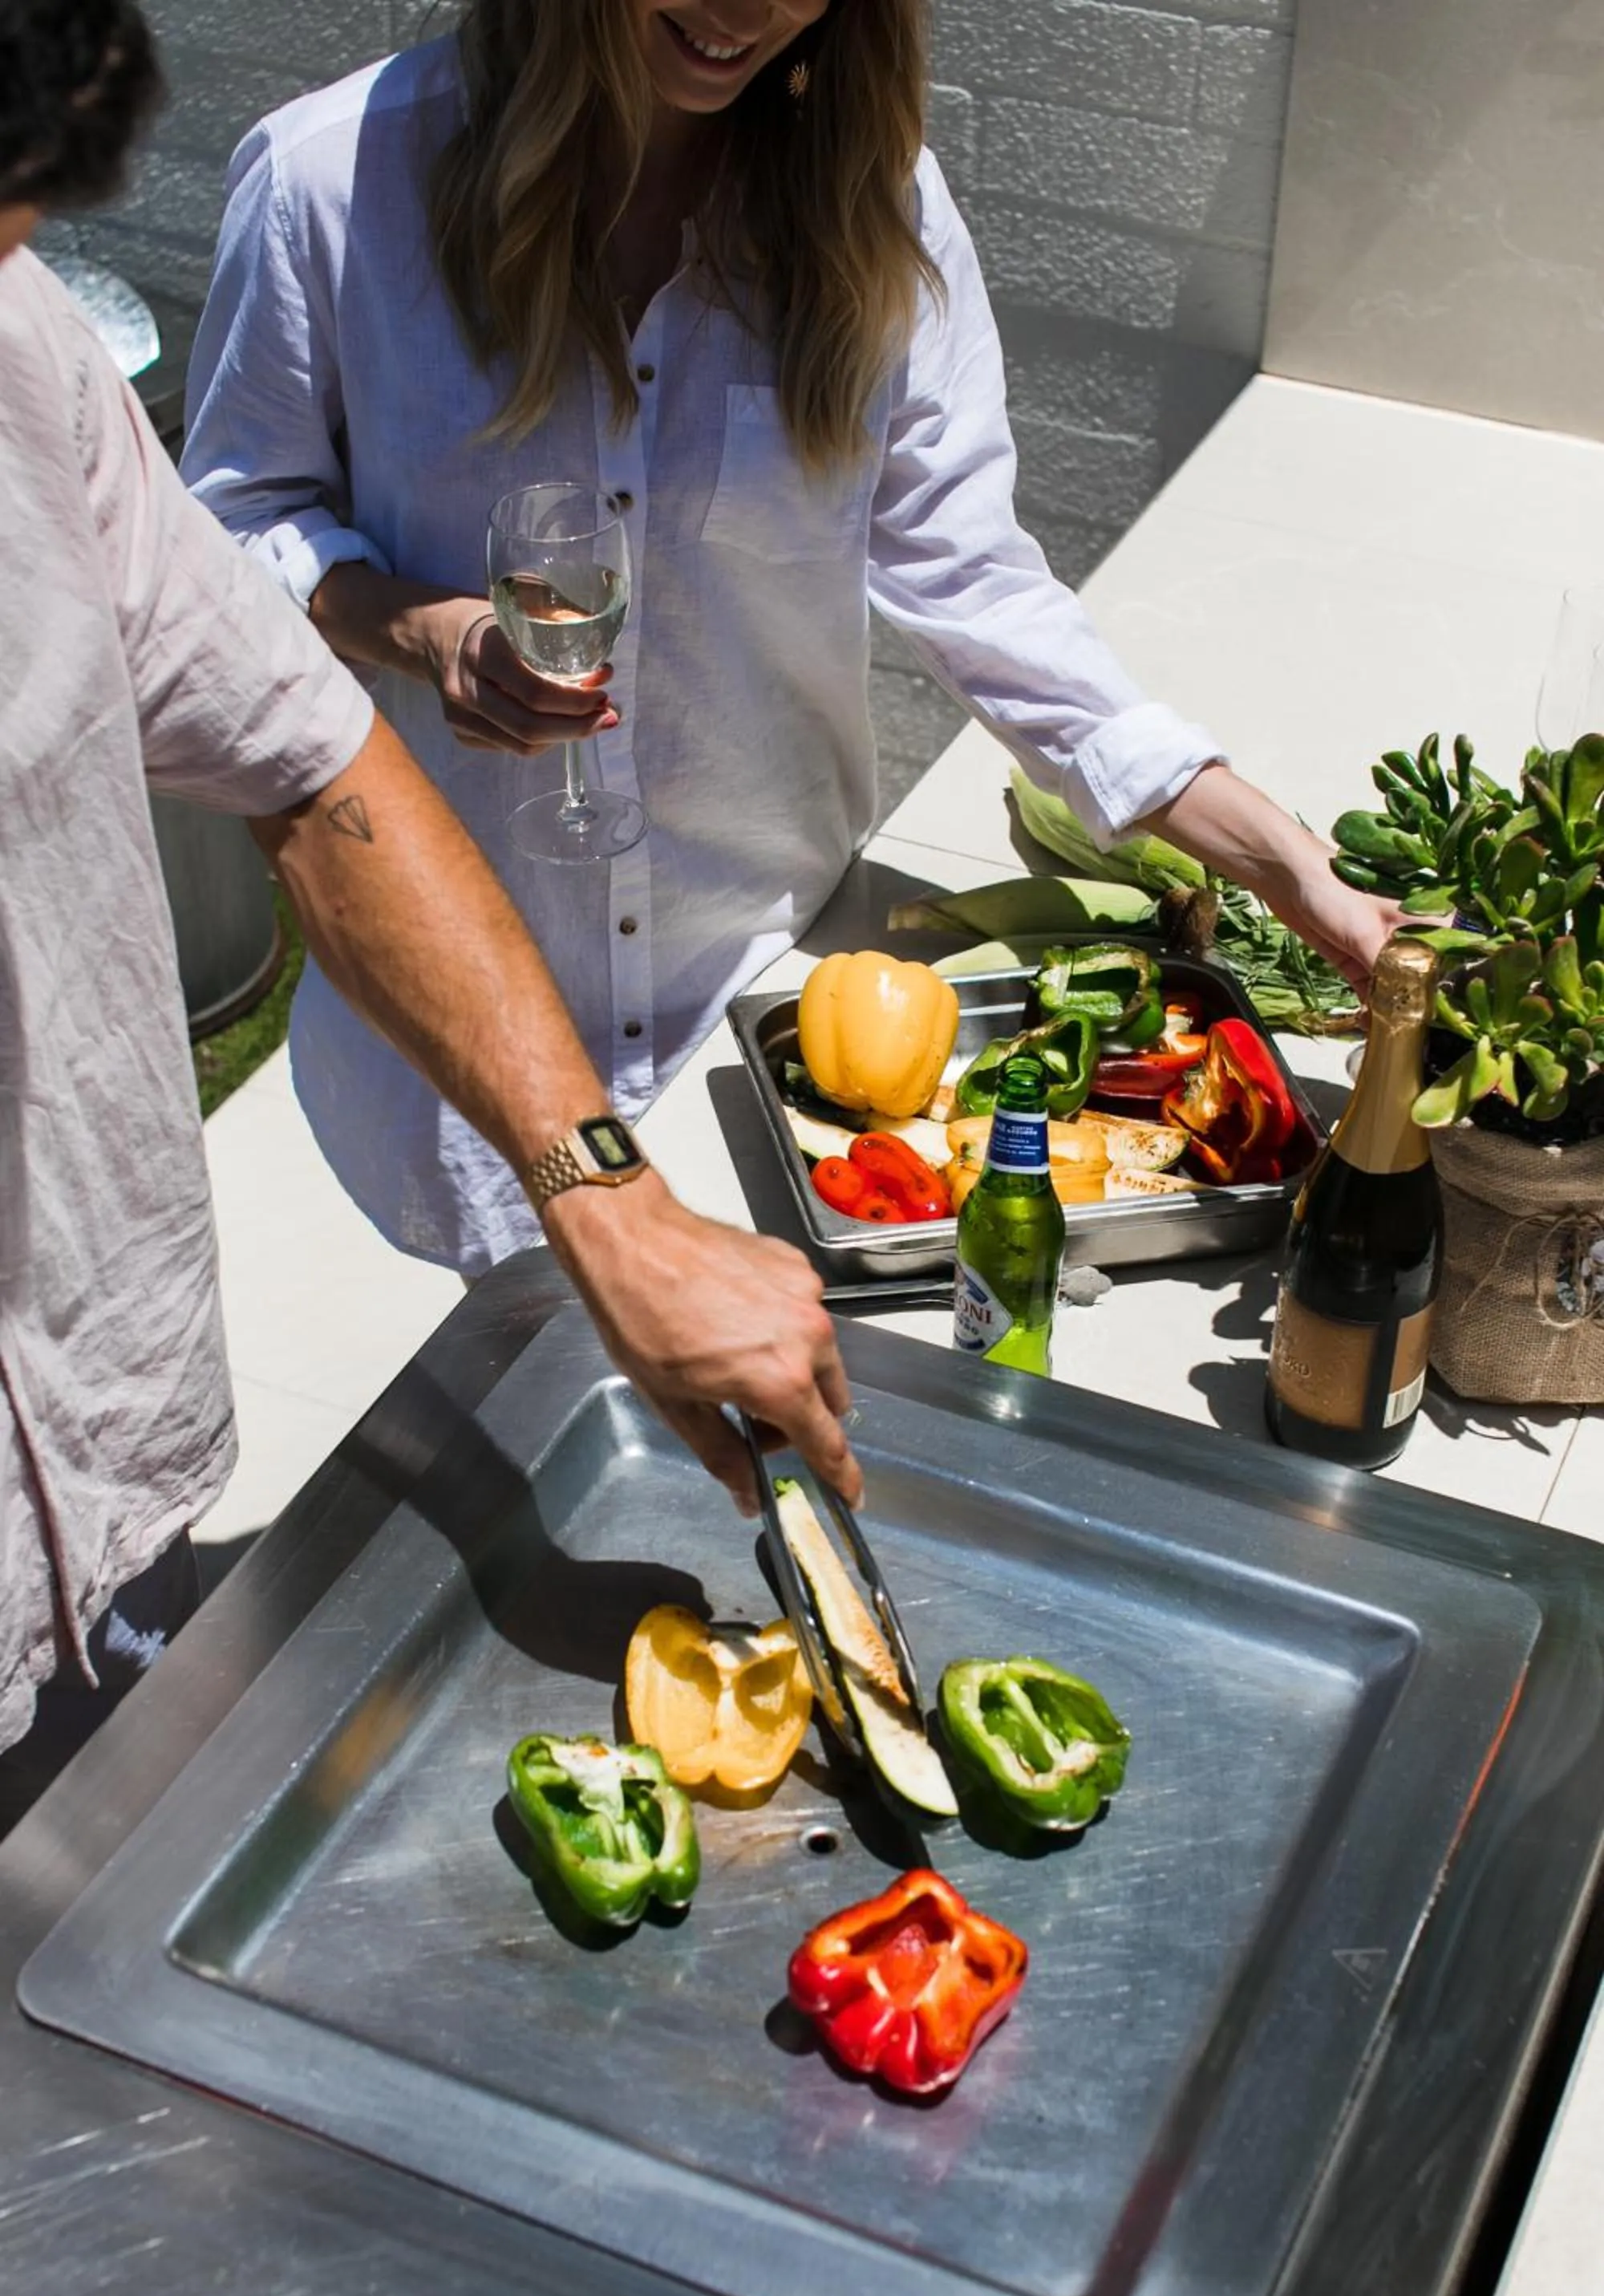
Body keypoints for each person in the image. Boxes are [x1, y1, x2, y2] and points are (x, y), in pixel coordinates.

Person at [182, 0, 1394, 1283]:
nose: (749, 11)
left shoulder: (874, 205)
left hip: (765, 1019)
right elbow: (230, 528)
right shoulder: (331, 184)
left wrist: (1286, 864)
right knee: (519, 1382)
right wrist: (416, 628)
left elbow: (977, 582)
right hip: (455, 1035)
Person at [0, 0, 861, 1767]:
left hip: (100, 1487)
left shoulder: (25, 353)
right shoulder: (334, 174)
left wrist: (607, 1203)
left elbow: (306, 762)